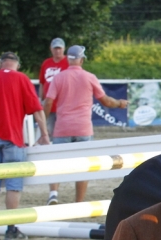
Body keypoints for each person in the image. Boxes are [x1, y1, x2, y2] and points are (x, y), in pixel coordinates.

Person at [42, 45, 128, 203]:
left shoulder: (58, 78)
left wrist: (43, 122)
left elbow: (48, 102)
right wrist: (119, 103)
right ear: (81, 60)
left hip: (62, 127)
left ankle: (53, 193)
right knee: (84, 166)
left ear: (68, 59)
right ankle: (79, 202)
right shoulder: (89, 77)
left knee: (56, 163)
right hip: (83, 128)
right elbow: (106, 101)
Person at [0, 52, 51, 240]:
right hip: (12, 138)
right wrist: (44, 134)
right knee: (13, 185)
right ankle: (11, 228)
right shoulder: (22, 79)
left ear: (0, 63)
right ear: (17, 65)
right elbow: (37, 110)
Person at [39, 37, 69, 204]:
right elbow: (42, 84)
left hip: (63, 108)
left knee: (61, 144)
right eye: (55, 48)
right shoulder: (46, 63)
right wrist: (40, 101)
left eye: (60, 48)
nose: (57, 51)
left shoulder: (68, 63)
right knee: (49, 141)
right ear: (51, 49)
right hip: (49, 108)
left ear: (63, 49)